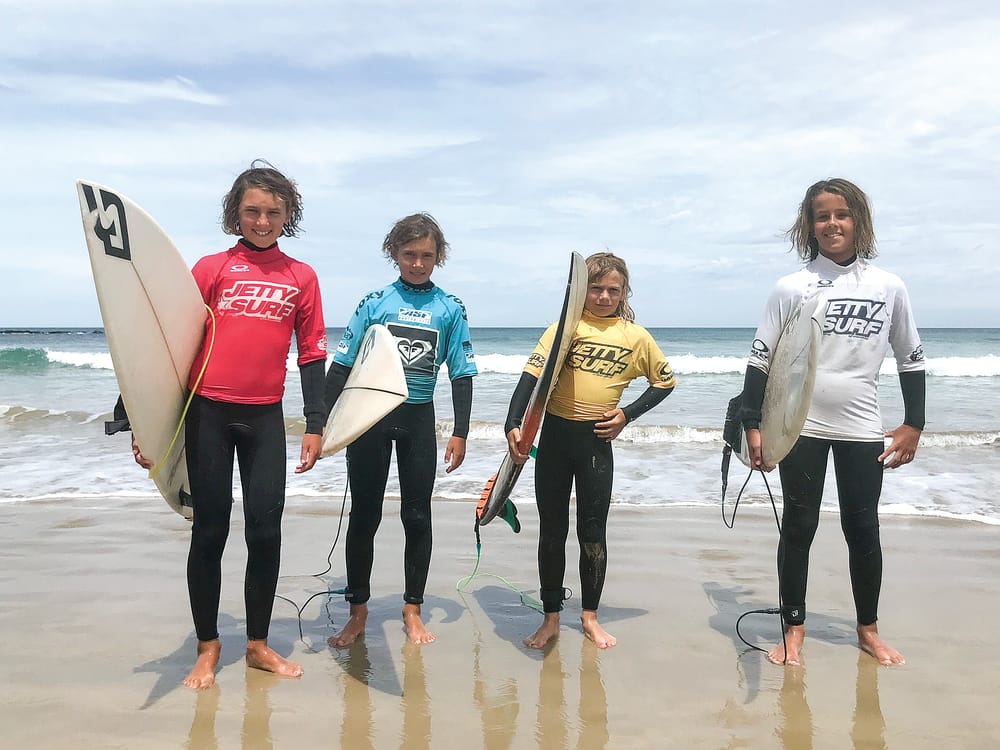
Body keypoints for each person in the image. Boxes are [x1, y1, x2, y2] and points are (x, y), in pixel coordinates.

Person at [133, 161, 327, 688]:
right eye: (252, 211)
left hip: (264, 417)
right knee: (210, 531)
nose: (262, 220)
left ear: (287, 216)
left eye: (272, 212)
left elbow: (311, 353)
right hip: (208, 414)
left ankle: (260, 644)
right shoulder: (211, 269)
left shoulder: (300, 277)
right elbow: (168, 345)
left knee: (266, 532)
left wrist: (315, 422)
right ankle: (208, 645)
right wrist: (141, 420)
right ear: (235, 214)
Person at [739, 178, 926, 667]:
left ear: (858, 220)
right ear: (810, 225)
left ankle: (868, 630)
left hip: (862, 426)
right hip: (799, 427)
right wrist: (754, 426)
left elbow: (911, 357)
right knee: (798, 528)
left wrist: (914, 424)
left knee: (862, 530)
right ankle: (793, 630)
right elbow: (760, 360)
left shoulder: (889, 286)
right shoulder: (790, 288)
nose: (832, 223)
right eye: (822, 216)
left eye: (841, 214)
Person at [505, 252, 676, 649]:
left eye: (612, 290)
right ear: (582, 291)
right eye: (595, 289)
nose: (602, 297)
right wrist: (513, 424)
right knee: (552, 531)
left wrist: (626, 415)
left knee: (592, 533)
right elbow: (531, 379)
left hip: (596, 444)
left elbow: (664, 382)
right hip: (555, 439)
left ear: (623, 293)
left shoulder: (635, 337)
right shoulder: (563, 331)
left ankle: (589, 616)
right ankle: (550, 618)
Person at [323, 213, 477, 647]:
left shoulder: (450, 308)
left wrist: (460, 431)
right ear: (395, 253)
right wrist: (322, 424)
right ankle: (358, 614)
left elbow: (461, 373)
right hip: (370, 420)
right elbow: (343, 365)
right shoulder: (375, 302)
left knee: (416, 515)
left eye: (427, 256)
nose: (417, 263)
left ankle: (412, 610)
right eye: (409, 255)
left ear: (438, 257)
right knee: (365, 516)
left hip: (417, 419)